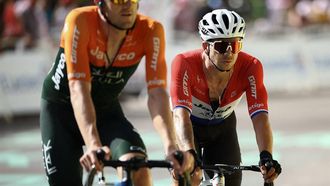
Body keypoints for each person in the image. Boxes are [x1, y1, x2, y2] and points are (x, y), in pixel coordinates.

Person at [40, 0, 181, 185]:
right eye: (118, 0)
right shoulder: (80, 20)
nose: (127, 5)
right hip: (61, 111)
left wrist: (171, 146)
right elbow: (79, 89)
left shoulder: (151, 30)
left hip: (105, 111)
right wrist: (93, 144)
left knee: (137, 168)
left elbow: (157, 94)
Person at [170, 9, 282, 186]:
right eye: (222, 46)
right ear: (205, 46)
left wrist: (266, 156)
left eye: (235, 45)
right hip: (188, 126)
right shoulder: (184, 63)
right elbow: (180, 114)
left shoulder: (251, 67)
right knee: (190, 176)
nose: (229, 53)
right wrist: (189, 152)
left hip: (223, 128)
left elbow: (260, 116)